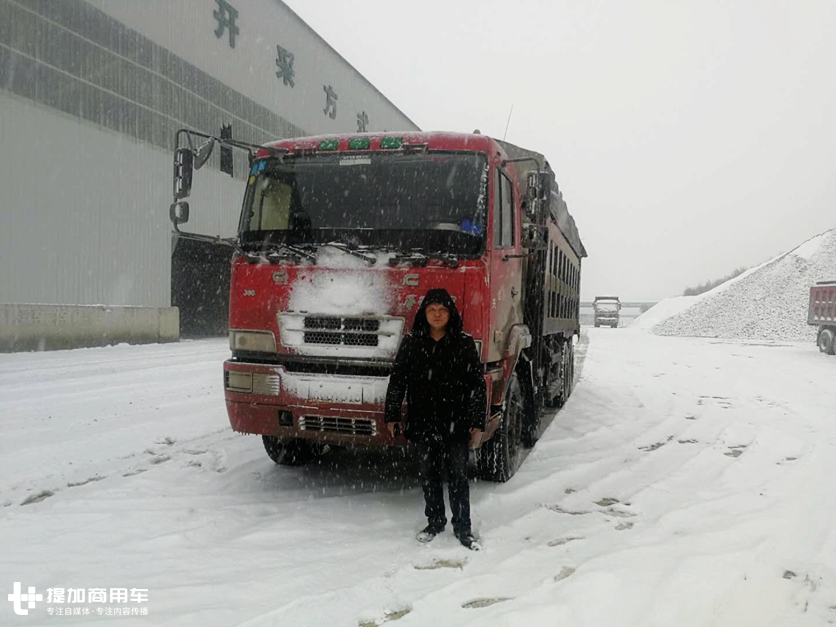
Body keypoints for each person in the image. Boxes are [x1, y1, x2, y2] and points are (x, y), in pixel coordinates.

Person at [384, 288, 487, 550]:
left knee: (458, 476)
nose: (437, 315)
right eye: (432, 310)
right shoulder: (411, 343)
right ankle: (435, 521)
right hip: (423, 421)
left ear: (450, 313)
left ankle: (463, 528)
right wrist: (392, 414)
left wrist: (477, 421)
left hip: (456, 422)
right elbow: (398, 381)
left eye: (442, 310)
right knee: (428, 474)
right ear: (424, 314)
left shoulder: (463, 343)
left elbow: (476, 384)